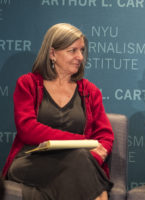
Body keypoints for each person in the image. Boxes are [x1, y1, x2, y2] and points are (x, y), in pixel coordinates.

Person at [1, 23, 114, 200]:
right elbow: (27, 129)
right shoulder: (28, 84)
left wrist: (93, 157)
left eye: (82, 50)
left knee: (77, 163)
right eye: (72, 50)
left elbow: (105, 136)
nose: (80, 57)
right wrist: (81, 142)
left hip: (78, 161)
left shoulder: (90, 91)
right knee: (80, 163)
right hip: (30, 161)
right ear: (52, 53)